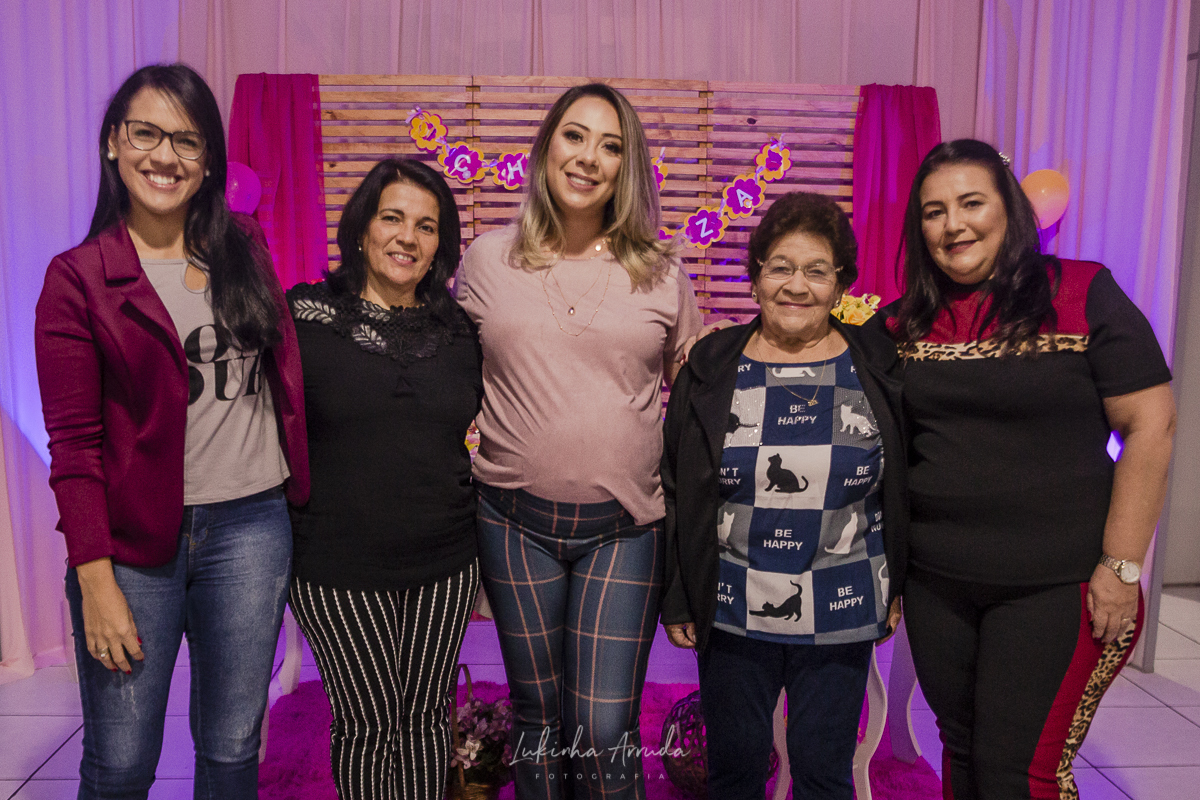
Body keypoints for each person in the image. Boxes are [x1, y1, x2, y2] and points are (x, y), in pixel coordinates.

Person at [34, 64, 308, 799]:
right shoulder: (78, 279)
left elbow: (281, 375)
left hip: (252, 527)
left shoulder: (243, 246)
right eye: (145, 134)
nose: (165, 156)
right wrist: (94, 579)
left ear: (209, 158)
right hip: (132, 547)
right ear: (113, 143)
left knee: (232, 748)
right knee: (122, 763)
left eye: (186, 140)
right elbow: (74, 448)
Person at [874, 139, 1176, 800]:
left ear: (1009, 209)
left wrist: (1123, 566)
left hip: (1057, 584)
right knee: (961, 752)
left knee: (1017, 771)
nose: (953, 224)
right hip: (936, 584)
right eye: (934, 211)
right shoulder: (899, 323)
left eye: (971, 203)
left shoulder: (1082, 292)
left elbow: (1151, 426)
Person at [454, 82, 703, 798]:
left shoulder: (661, 271)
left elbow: (699, 399)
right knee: (537, 715)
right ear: (545, 147)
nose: (589, 156)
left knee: (602, 725)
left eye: (611, 145)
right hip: (510, 521)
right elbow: (442, 372)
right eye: (574, 135)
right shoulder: (487, 259)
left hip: (625, 528)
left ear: (628, 166)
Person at [660, 191, 906, 799]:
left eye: (817, 270)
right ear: (756, 277)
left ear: (841, 282)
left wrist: (898, 582)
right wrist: (678, 596)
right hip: (732, 604)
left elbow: (906, 478)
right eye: (781, 267)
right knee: (736, 771)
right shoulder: (712, 363)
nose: (797, 285)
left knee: (824, 772)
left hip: (844, 600)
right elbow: (677, 486)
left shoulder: (877, 362)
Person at [285, 158, 482, 800]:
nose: (407, 237)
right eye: (392, 217)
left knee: (425, 720)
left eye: (426, 226)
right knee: (367, 724)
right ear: (363, 227)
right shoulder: (304, 317)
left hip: (446, 563)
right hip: (336, 567)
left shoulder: (459, 331)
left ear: (440, 244)